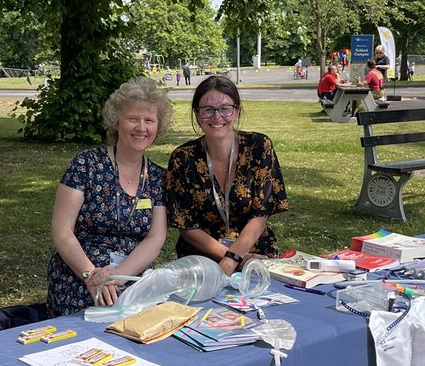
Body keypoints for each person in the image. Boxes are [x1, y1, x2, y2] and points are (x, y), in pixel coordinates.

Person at [46, 76, 171, 315]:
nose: (141, 128)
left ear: (158, 126)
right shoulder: (87, 164)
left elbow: (155, 238)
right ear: (116, 122)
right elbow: (62, 231)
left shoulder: (157, 177)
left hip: (133, 275)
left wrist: (118, 275)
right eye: (132, 119)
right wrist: (91, 275)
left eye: (149, 120)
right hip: (80, 274)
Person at [165, 75, 288, 277]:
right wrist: (234, 258)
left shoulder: (259, 147)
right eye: (208, 110)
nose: (216, 117)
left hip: (256, 255)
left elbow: (260, 215)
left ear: (237, 111)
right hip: (203, 260)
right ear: (197, 115)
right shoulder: (183, 158)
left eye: (225, 108)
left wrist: (234, 259)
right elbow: (187, 226)